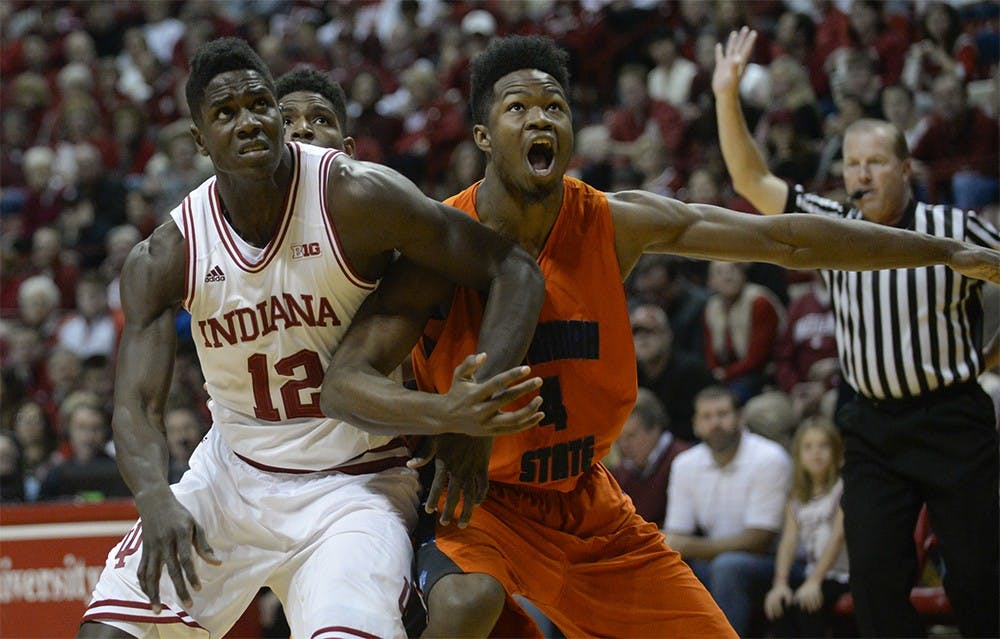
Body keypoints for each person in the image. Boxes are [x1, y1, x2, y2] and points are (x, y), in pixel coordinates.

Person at [319, 34, 1000, 639]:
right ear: (482, 136)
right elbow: (345, 384)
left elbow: (783, 238)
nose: (541, 118)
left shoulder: (614, 223)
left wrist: (936, 249)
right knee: (465, 602)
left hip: (586, 503)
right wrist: (447, 416)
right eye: (518, 108)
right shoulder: (440, 242)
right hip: (481, 508)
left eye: (554, 106)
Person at [76, 37, 546, 639]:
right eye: (226, 113)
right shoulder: (168, 253)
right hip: (230, 476)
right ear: (200, 140)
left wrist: (474, 415)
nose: (248, 122)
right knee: (106, 634)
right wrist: (154, 496)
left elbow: (514, 269)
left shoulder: (354, 195)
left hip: (356, 484)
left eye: (259, 104)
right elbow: (135, 405)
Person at [714, 27, 999, 638]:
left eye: (874, 163)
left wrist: (992, 351)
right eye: (851, 164)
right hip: (871, 427)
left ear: (904, 167)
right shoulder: (834, 226)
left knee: (978, 580)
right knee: (872, 583)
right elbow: (752, 182)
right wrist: (725, 97)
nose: (861, 175)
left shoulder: (954, 225)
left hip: (952, 419)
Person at [665, 385, 793, 636]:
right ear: (695, 424)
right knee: (666, 568)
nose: (715, 423)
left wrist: (692, 547)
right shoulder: (684, 464)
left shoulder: (768, 457)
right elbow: (676, 537)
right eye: (707, 416)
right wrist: (683, 546)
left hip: (776, 564)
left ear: (740, 417)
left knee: (728, 566)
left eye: (722, 414)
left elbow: (760, 539)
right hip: (717, 561)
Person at [764, 417, 850, 638]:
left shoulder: (843, 488)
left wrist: (814, 581)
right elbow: (788, 542)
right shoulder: (796, 498)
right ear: (799, 456)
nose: (816, 453)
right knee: (780, 605)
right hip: (814, 575)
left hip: (843, 575)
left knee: (808, 607)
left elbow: (839, 535)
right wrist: (780, 583)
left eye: (823, 445)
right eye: (808, 447)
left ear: (837, 451)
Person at [609, 387, 692, 525]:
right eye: (619, 439)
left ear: (655, 428)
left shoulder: (686, 460)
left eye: (631, 436)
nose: (624, 445)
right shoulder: (619, 473)